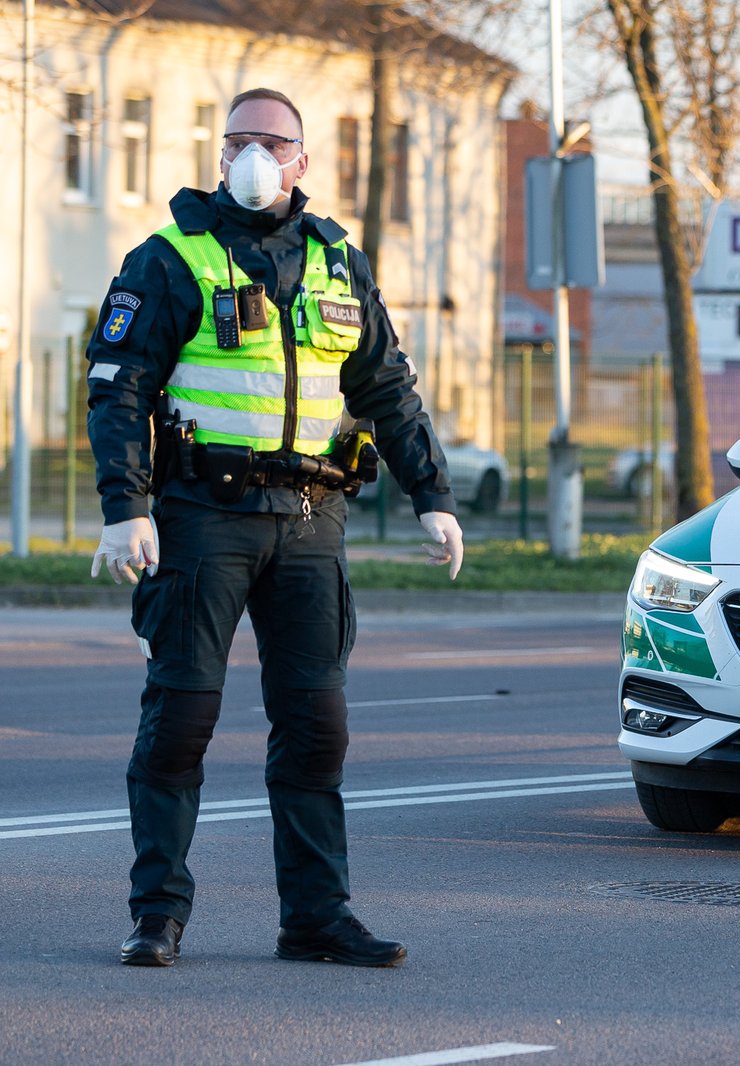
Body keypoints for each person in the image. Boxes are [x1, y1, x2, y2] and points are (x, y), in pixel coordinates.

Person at [85, 88, 465, 968]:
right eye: (238, 141)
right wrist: (125, 507)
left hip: (310, 521)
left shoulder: (339, 262)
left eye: (273, 141)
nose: (254, 156)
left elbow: (387, 390)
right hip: (203, 521)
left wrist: (432, 494)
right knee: (180, 720)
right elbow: (118, 388)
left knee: (317, 726)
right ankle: (157, 915)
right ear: (219, 154)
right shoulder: (169, 257)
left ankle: (317, 918)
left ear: (303, 159)